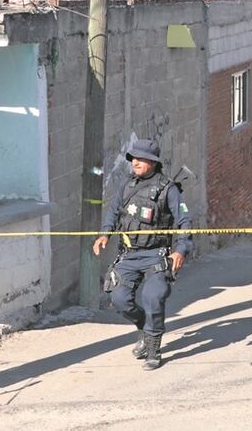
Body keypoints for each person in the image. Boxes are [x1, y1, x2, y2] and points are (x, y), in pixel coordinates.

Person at [92, 139, 191, 370]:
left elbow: (185, 220)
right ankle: (145, 328)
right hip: (129, 254)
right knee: (119, 299)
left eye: (141, 159)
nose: (135, 162)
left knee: (154, 297)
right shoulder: (126, 186)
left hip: (157, 254)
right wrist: (105, 234)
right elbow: (114, 212)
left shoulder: (169, 189)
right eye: (133, 158)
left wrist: (181, 249)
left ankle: (154, 349)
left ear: (153, 163)